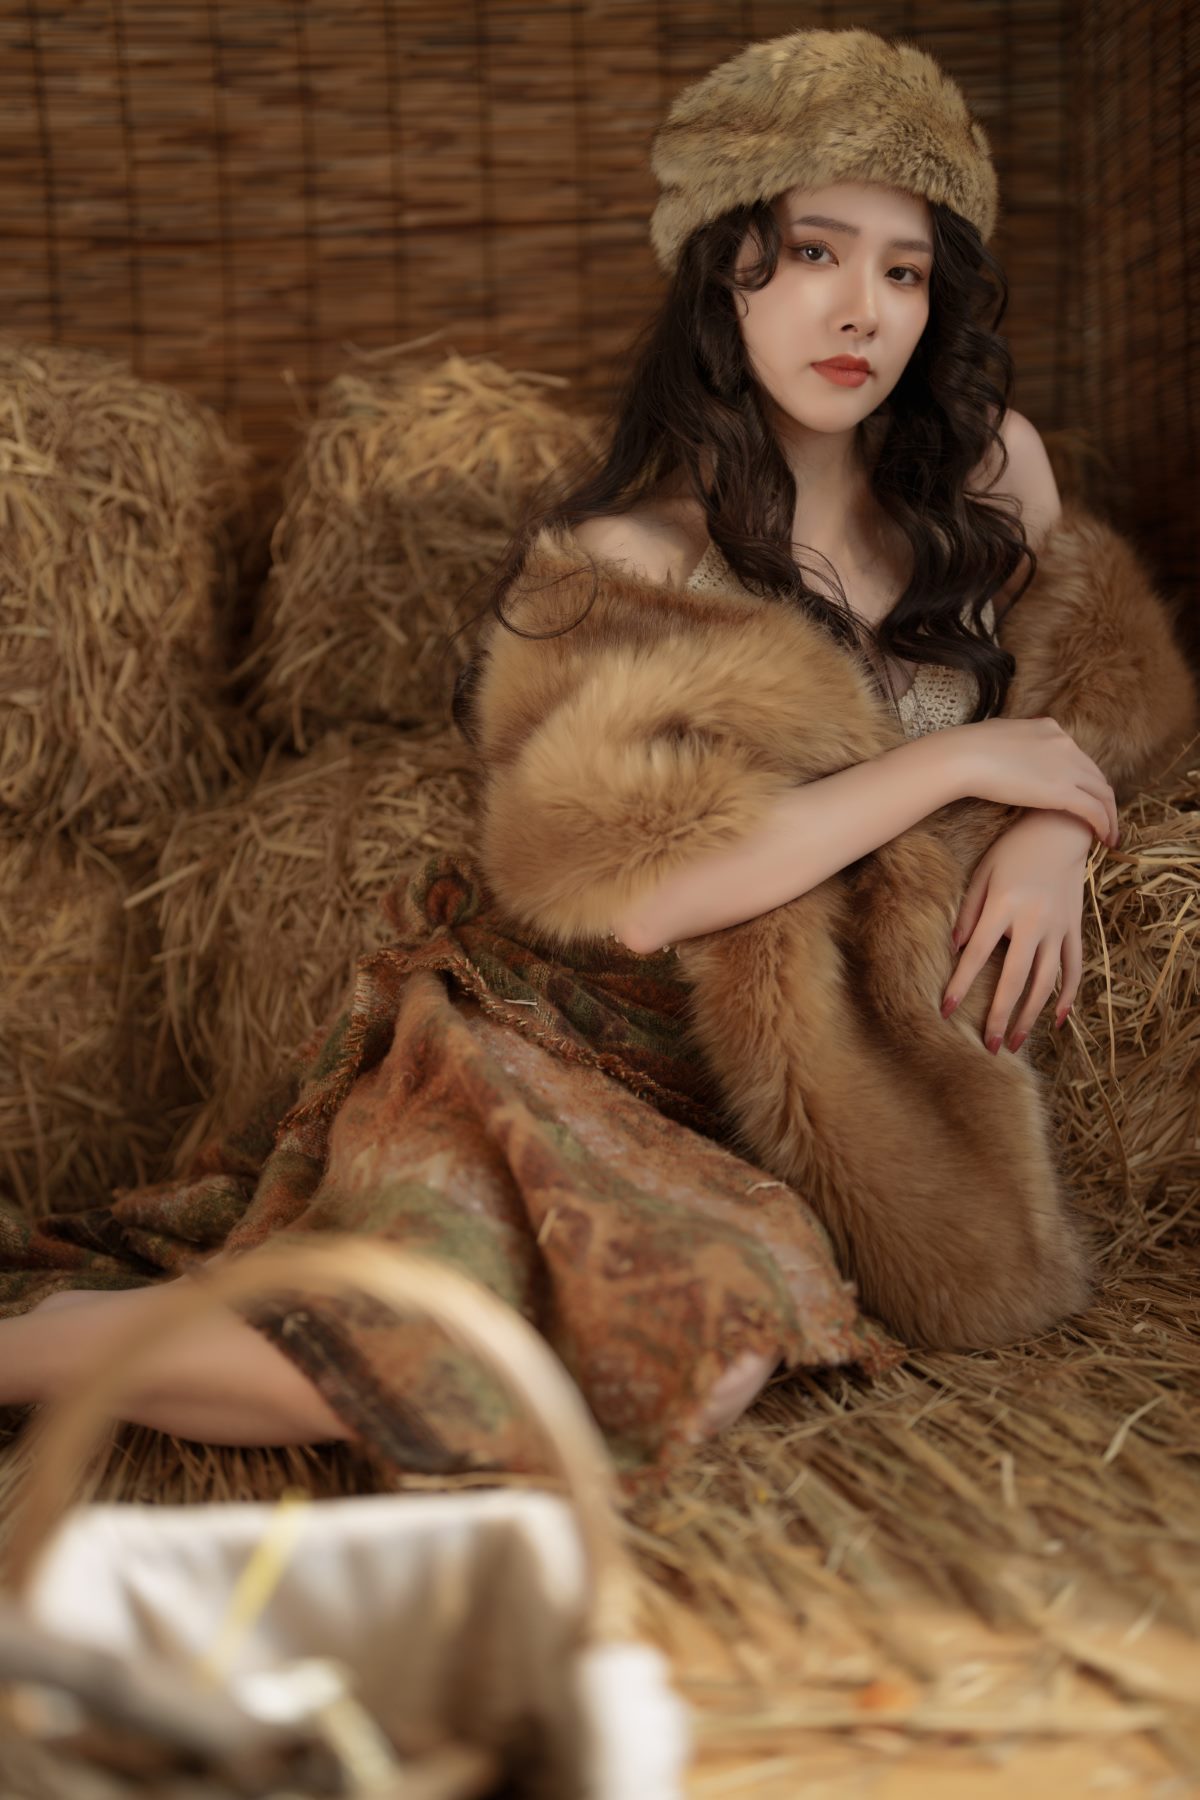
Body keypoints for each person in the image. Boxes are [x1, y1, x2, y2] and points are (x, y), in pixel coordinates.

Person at [2, 28, 1192, 1464]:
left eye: (905, 271)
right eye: (814, 254)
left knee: (706, 1363)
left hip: (774, 1096)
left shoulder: (991, 476)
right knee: (461, 1353)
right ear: (724, 275)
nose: (862, 310)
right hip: (563, 1043)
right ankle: (30, 1354)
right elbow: (635, 890)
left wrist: (1059, 822)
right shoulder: (624, 559)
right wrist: (952, 765)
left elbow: (1106, 687)